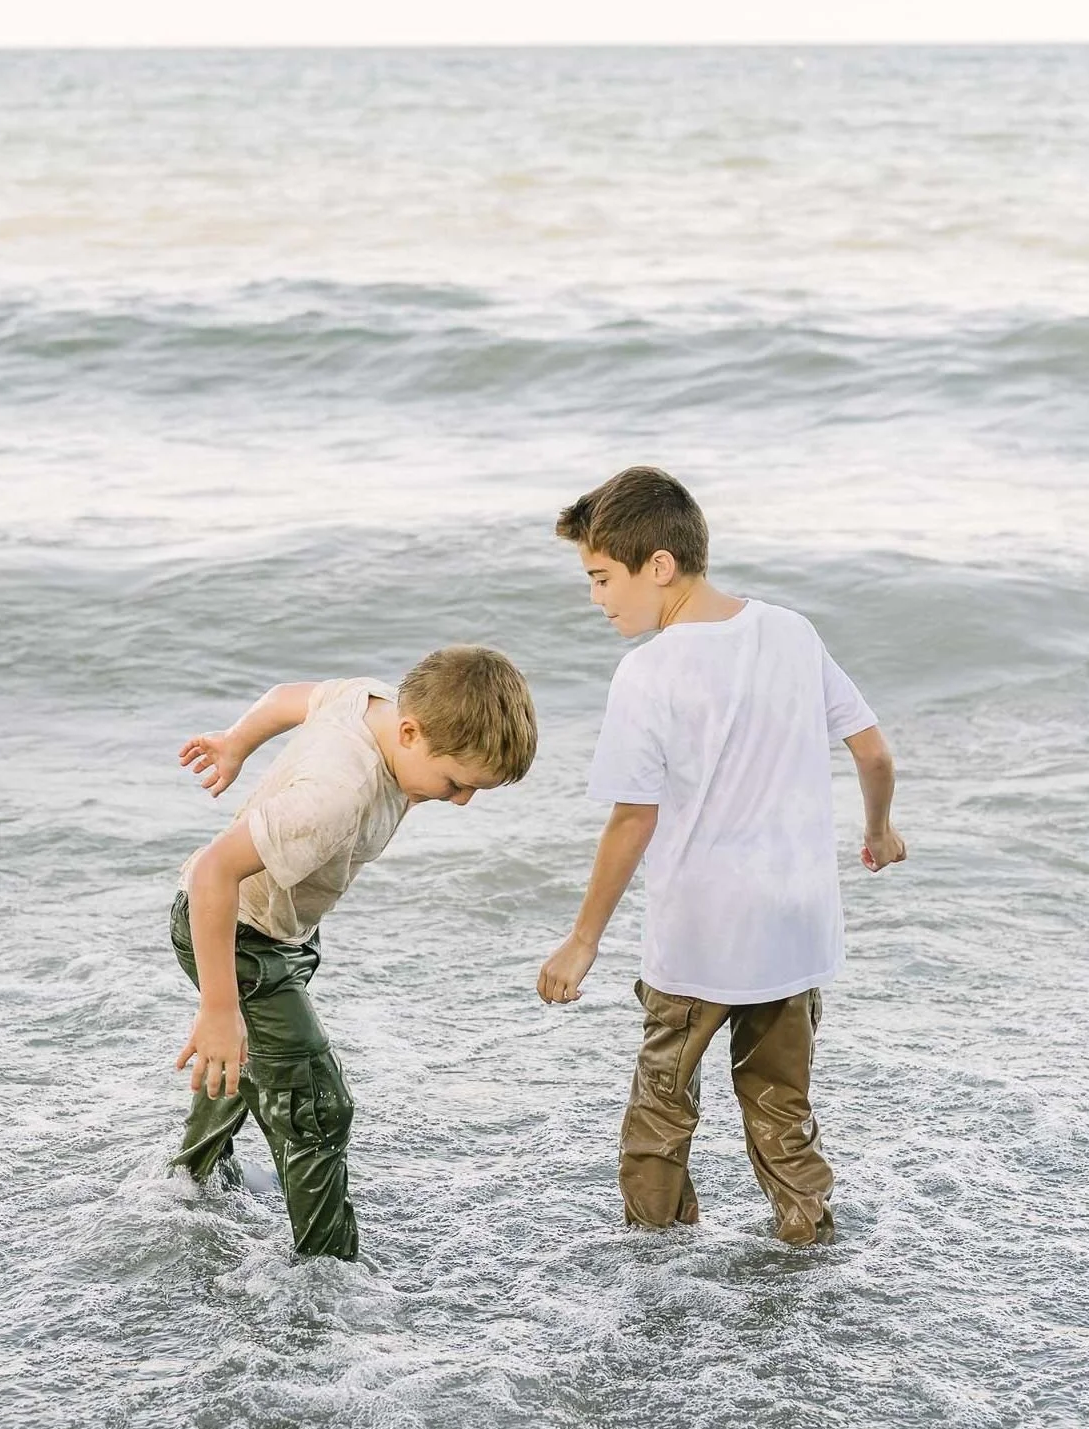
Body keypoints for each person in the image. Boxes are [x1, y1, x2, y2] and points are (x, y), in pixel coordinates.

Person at [536, 467, 906, 1245]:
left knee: (662, 1107)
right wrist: (878, 832)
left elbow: (632, 819)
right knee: (782, 1109)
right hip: (795, 929)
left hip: (700, 935)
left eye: (602, 578)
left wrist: (583, 938)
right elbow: (873, 752)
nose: (596, 599)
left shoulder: (648, 672)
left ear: (659, 565)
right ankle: (808, 1244)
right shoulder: (792, 632)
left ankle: (658, 1265)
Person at [172, 647, 537, 1259]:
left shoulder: (371, 702)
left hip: (276, 933)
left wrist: (236, 742)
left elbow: (290, 695)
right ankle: (328, 1276)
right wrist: (218, 1007)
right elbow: (213, 873)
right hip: (239, 937)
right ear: (410, 731)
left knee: (259, 1065)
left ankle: (191, 1183)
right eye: (456, 783)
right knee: (317, 1107)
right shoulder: (335, 796)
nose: (462, 801)